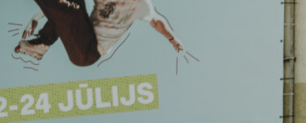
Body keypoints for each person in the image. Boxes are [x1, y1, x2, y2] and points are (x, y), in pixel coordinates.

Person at [15, 0, 184, 65]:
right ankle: (43, 43)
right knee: (75, 5)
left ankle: (43, 42)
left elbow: (156, 21)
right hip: (84, 34)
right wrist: (36, 16)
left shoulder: (140, 4)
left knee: (73, 13)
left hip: (89, 53)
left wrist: (172, 38)